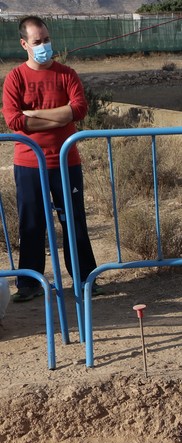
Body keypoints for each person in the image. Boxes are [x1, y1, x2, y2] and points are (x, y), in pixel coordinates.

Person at [2, 16, 98, 302]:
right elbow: (14, 120)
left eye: (46, 39)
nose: (44, 45)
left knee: (74, 222)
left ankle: (85, 280)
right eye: (37, 41)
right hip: (29, 163)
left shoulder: (66, 74)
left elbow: (78, 110)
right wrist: (60, 116)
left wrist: (34, 114)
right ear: (24, 44)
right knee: (31, 224)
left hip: (66, 162)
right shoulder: (15, 78)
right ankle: (29, 284)